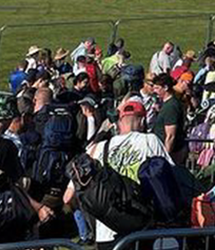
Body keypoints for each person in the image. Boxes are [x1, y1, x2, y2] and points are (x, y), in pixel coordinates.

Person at [65, 101, 171, 249]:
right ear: (142, 120)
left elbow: (67, 198)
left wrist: (94, 214)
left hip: (105, 232)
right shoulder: (150, 141)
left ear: (118, 123)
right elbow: (169, 177)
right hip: (139, 228)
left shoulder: (97, 148)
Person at [151, 74, 187, 164]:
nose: (154, 91)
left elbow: (171, 136)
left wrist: (165, 158)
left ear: (166, 88)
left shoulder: (171, 107)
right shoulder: (167, 104)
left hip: (172, 153)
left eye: (157, 88)